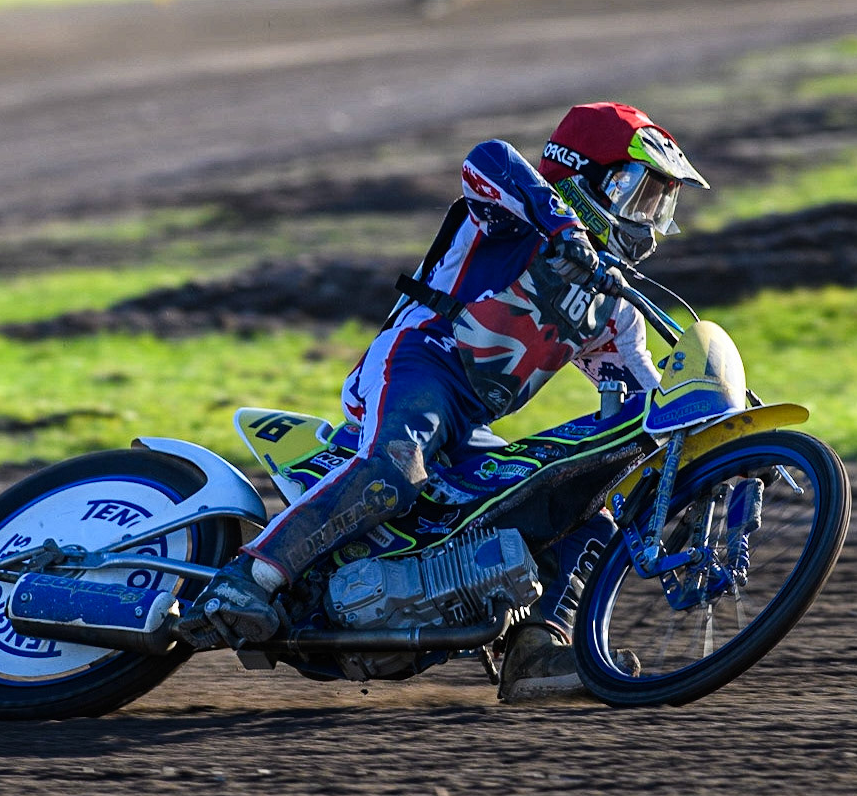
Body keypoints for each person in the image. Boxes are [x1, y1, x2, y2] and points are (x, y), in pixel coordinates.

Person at [181, 102, 710, 700]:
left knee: (583, 513)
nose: (649, 220)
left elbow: (645, 403)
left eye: (661, 205)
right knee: (394, 471)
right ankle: (247, 577)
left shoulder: (611, 308)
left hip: (467, 427)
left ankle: (535, 652)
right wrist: (562, 228)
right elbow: (490, 157)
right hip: (418, 361)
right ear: (588, 176)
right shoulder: (516, 217)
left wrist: (686, 476)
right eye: (641, 195)